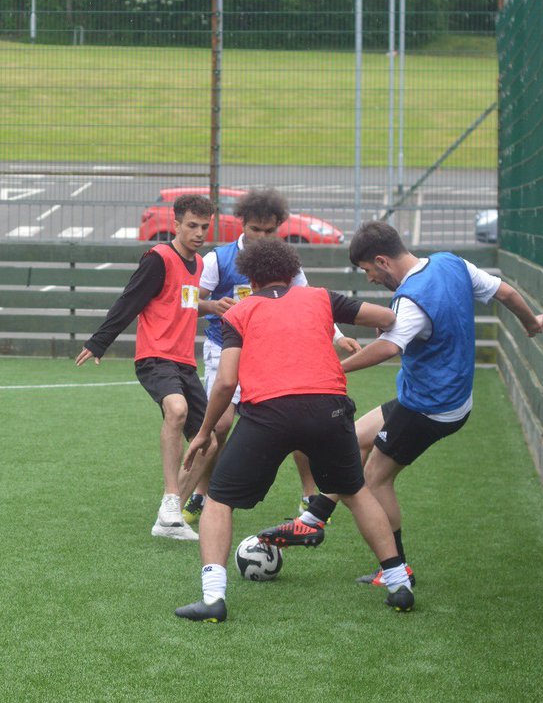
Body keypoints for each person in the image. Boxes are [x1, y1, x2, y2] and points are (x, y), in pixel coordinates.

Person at [257, 221, 543, 589]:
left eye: (368, 271)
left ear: (382, 260)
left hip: (429, 409)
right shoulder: (450, 263)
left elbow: (389, 348)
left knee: (375, 480)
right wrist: (531, 323)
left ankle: (396, 568)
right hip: (443, 397)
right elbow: (505, 293)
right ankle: (313, 520)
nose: (371, 280)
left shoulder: (411, 298)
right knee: (354, 437)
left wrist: (332, 368)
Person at [173, 239, 410, 622]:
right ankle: (399, 582)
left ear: (251, 277)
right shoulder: (320, 297)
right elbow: (388, 319)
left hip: (268, 412)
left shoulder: (240, 312)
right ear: (291, 271)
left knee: (218, 501)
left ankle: (213, 598)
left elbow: (224, 382)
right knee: (355, 491)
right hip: (328, 409)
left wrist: (203, 433)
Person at [180, 188, 362, 526]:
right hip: (225, 347)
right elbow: (190, 299)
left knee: (297, 416)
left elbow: (313, 302)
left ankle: (309, 494)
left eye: (269, 231)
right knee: (219, 426)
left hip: (271, 351)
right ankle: (201, 493)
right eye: (255, 230)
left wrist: (338, 335)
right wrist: (212, 306)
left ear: (278, 228)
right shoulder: (218, 259)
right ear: (242, 225)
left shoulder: (284, 263)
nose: (262, 237)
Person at [76, 193, 217, 541]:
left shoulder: (197, 264)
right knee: (177, 409)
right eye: (192, 226)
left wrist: (213, 307)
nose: (199, 233)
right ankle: (172, 497)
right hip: (155, 356)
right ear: (176, 224)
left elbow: (182, 302)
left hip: (185, 361)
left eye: (204, 227)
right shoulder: (158, 259)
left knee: (209, 443)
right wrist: (99, 342)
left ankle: (168, 521)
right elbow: (131, 299)